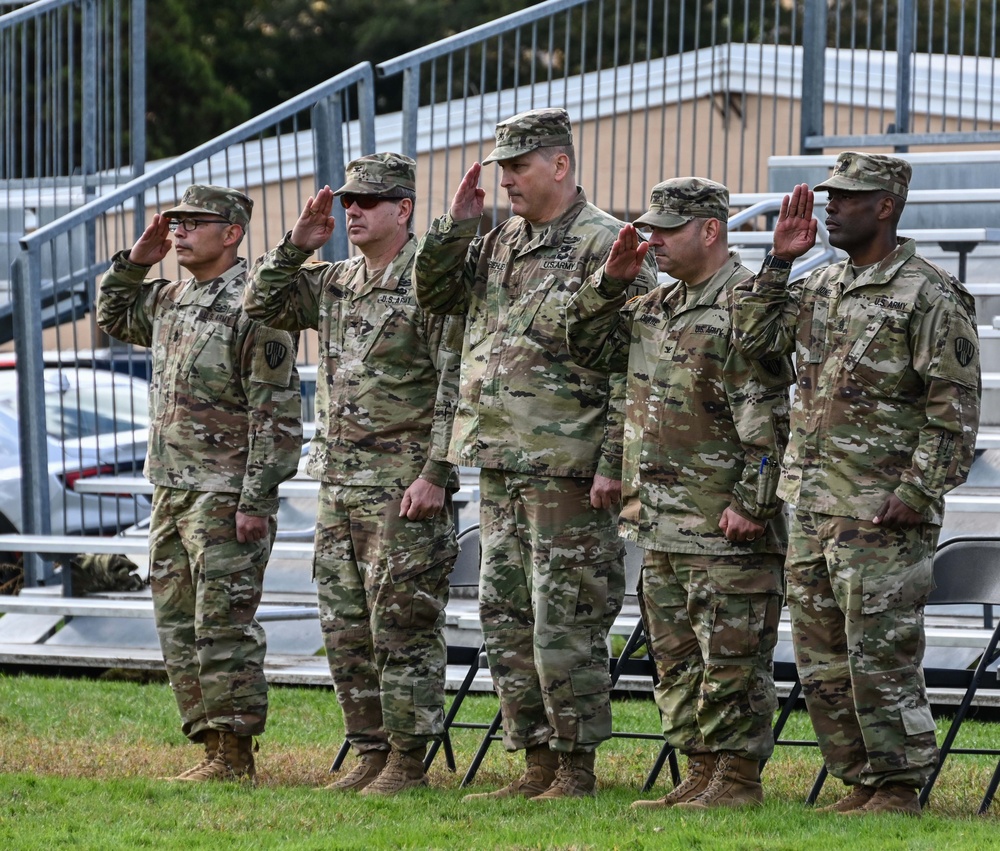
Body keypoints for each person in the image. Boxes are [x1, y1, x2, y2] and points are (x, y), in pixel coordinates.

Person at [414, 107, 658, 800]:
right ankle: (535, 762)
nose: (508, 180)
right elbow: (432, 296)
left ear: (560, 164)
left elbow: (632, 369)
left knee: (566, 617)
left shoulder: (608, 245)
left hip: (569, 468)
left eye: (519, 166)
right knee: (505, 613)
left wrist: (614, 459)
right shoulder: (498, 241)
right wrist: (457, 226)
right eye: (502, 169)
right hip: (500, 458)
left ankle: (575, 765)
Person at [732, 152, 982, 816]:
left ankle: (897, 785)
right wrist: (779, 263)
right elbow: (753, 343)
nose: (830, 207)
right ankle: (859, 780)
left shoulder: (927, 294)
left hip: (880, 510)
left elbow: (953, 408)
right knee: (822, 658)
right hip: (814, 503)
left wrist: (918, 492)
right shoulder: (820, 286)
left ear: (886, 206)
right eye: (830, 197)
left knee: (880, 652)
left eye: (849, 197)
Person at [565, 177, 792, 809]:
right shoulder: (654, 306)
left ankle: (737, 779)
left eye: (667, 229)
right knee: (676, 660)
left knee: (732, 661)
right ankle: (699, 770)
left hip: (722, 520)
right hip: (660, 517)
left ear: (710, 230)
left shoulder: (750, 302)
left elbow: (771, 416)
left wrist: (753, 503)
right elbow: (583, 348)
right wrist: (609, 284)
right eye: (650, 227)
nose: (652, 239)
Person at [244, 153, 463, 796]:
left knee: (402, 625)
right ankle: (369, 749)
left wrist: (437, 472)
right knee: (344, 628)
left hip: (403, 489)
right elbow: (263, 304)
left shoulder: (431, 280)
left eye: (369, 202)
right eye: (348, 203)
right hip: (340, 483)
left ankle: (407, 760)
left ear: (405, 208)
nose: (354, 212)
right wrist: (296, 245)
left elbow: (455, 382)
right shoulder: (336, 279)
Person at [96, 185, 303, 783]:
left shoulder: (256, 305)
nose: (180, 230)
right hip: (170, 485)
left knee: (223, 625)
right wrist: (137, 260)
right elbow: (112, 315)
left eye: (195, 221)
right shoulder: (169, 298)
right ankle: (209, 745)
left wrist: (257, 498)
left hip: (224, 493)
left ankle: (236, 754)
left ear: (232, 232)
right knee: (178, 622)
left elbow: (276, 413)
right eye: (176, 220)